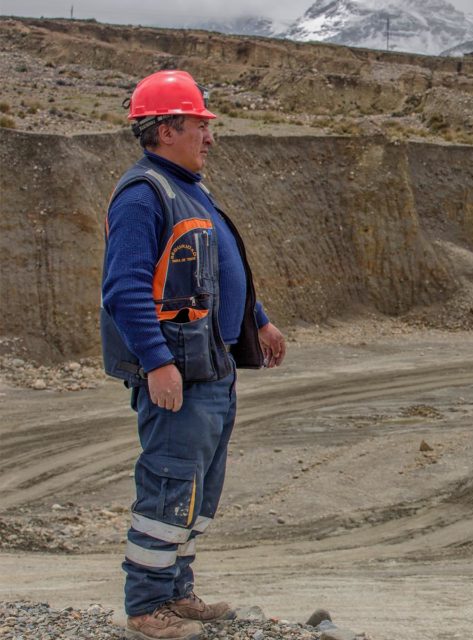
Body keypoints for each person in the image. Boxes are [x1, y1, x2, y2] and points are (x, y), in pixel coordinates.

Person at [100, 69, 286, 640]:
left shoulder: (189, 188)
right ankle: (146, 606)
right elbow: (125, 289)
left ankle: (177, 591)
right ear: (165, 129)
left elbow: (215, 270)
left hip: (213, 366)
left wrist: (259, 320)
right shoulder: (144, 195)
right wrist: (157, 362)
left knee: (199, 489)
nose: (210, 136)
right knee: (168, 485)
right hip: (180, 371)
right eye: (200, 125)